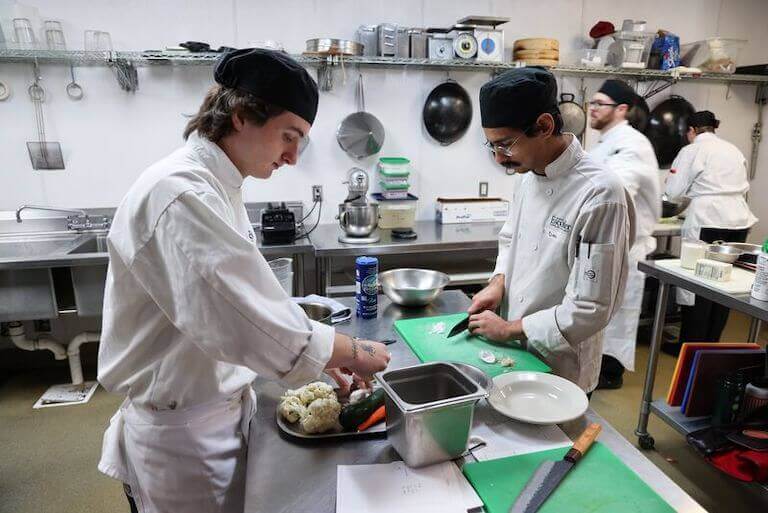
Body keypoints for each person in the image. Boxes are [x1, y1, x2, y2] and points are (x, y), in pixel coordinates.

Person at [96, 49, 390, 513]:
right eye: (288, 137)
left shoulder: (219, 185)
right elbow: (241, 316)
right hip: (186, 437)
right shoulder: (180, 194)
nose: (293, 156)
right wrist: (356, 351)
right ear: (241, 117)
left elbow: (254, 295)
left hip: (215, 413)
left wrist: (318, 359)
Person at [467, 67, 634, 394]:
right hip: (515, 351)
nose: (500, 158)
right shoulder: (528, 177)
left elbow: (590, 308)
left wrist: (509, 329)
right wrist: (498, 284)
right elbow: (509, 238)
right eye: (492, 147)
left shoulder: (599, 194)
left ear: (543, 126)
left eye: (506, 145)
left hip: (562, 365)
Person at [663, 110, 758, 355]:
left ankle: (689, 346)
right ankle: (711, 343)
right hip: (738, 219)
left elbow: (673, 192)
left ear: (691, 131)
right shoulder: (732, 149)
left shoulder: (691, 150)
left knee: (698, 282)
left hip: (709, 219)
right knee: (725, 283)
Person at [588, 80, 661, 389]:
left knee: (618, 312)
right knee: (601, 311)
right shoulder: (603, 142)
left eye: (599, 103)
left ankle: (610, 373)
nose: (592, 108)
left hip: (626, 244)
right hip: (604, 241)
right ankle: (598, 366)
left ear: (621, 109)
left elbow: (615, 192)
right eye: (590, 102)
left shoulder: (632, 144)